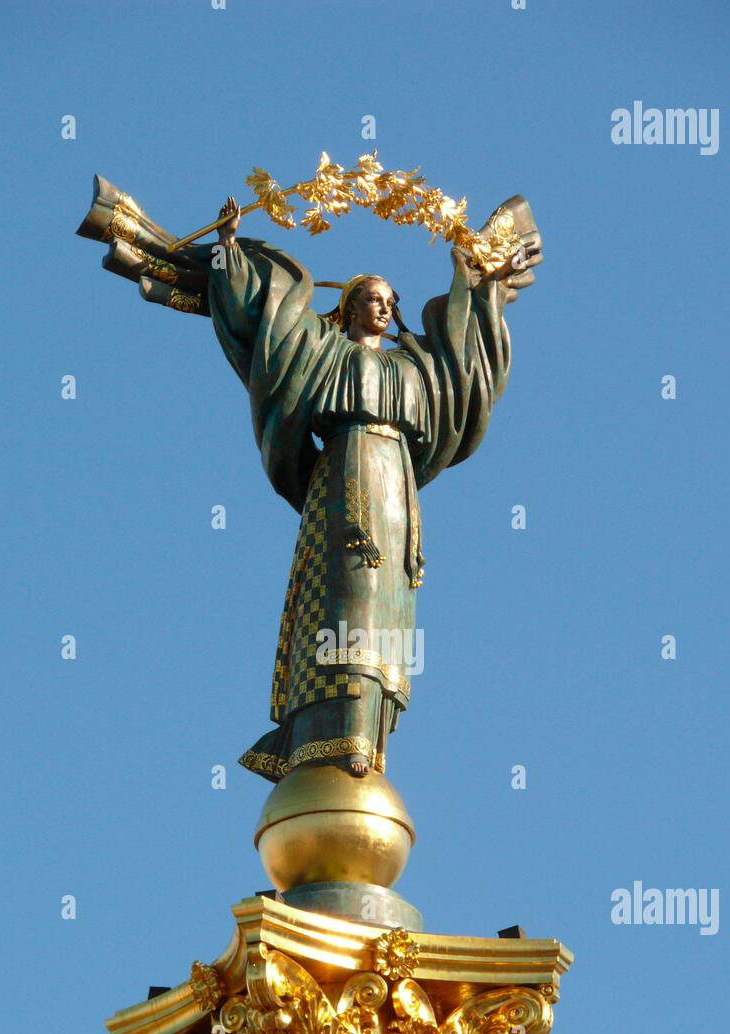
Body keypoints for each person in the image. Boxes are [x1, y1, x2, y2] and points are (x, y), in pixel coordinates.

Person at [203, 194, 540, 782]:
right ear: (349, 306)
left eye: (389, 302)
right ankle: (323, 735)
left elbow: (463, 360)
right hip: (345, 480)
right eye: (370, 300)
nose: (382, 309)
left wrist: (482, 283)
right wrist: (229, 252)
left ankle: (369, 734)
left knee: (388, 610)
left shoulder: (413, 368)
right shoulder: (324, 351)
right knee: (346, 595)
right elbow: (270, 323)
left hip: (397, 494)